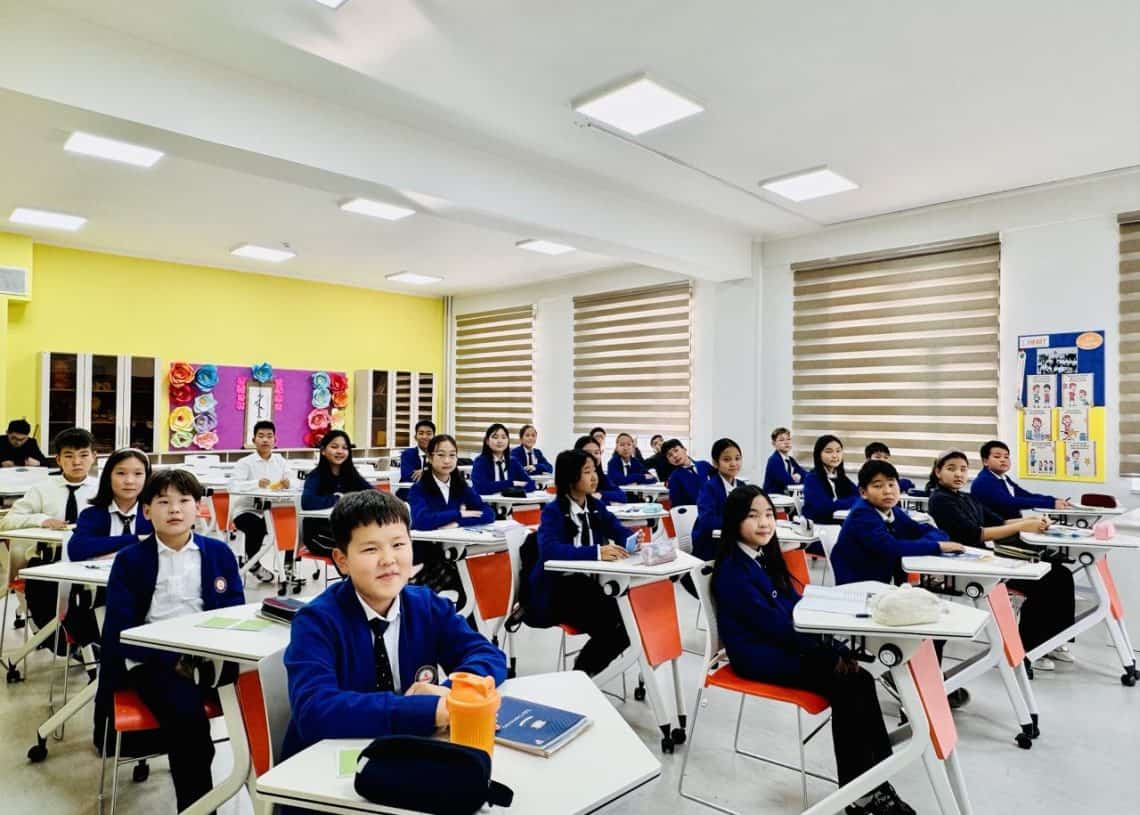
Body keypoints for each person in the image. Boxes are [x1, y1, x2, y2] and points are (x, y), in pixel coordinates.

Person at [712, 485, 917, 815]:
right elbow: (776, 627)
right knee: (847, 683)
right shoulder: (734, 571)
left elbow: (795, 606)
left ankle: (875, 779)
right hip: (757, 656)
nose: (764, 523)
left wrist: (833, 644)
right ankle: (860, 792)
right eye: (753, 516)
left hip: (782, 643)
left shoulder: (763, 558)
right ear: (735, 520)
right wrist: (829, 652)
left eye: (768, 515)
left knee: (861, 679)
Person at [282, 490, 506, 758]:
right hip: (329, 764)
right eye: (370, 549)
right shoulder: (317, 621)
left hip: (405, 756)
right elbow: (314, 711)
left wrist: (451, 696)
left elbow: (487, 655)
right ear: (342, 560)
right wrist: (426, 710)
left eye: (399, 545)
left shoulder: (427, 605)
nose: (388, 559)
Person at [98, 469, 244, 811]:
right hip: (154, 661)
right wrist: (171, 659)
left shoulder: (218, 554)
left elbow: (236, 610)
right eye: (163, 502)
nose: (174, 510)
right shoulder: (131, 560)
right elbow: (120, 631)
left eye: (184, 501)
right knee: (190, 727)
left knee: (272, 700)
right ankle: (197, 808)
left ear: (198, 508)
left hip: (211, 657)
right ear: (146, 511)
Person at [927, 450, 1076, 671]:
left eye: (963, 469)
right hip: (969, 564)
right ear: (938, 472)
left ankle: (1050, 641)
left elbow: (1000, 520)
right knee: (1047, 580)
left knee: (1060, 573)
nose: (958, 474)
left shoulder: (965, 497)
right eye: (951, 469)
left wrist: (1032, 520)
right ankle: (1029, 647)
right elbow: (975, 534)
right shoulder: (940, 500)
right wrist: (1022, 526)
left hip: (987, 559)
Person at [525, 450, 634, 676]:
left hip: (586, 586)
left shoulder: (594, 506)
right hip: (557, 590)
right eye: (587, 472)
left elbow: (618, 529)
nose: (594, 477)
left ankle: (582, 674)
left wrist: (632, 542)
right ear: (570, 477)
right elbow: (549, 551)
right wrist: (596, 552)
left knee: (630, 624)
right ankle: (582, 675)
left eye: (594, 470)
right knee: (617, 628)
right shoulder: (553, 511)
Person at [1, 428, 98, 631]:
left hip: (92, 562)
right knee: (51, 604)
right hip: (49, 561)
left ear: (94, 457)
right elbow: (7, 522)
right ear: (58, 459)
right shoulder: (42, 489)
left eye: (83, 455)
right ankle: (53, 635)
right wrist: (42, 519)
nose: (77, 462)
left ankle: (87, 640)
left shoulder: (104, 491)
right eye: (69, 456)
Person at [831, 460, 961, 586]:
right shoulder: (862, 515)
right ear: (863, 492)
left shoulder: (893, 511)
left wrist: (933, 542)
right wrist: (937, 546)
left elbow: (927, 531)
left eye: (891, 484)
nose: (887, 491)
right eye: (878, 486)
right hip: (858, 587)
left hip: (882, 582)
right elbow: (892, 547)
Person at [408, 434, 492, 605]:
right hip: (426, 559)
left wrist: (459, 522)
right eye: (441, 455)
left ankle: (463, 627)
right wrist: (458, 513)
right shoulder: (419, 488)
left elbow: (488, 512)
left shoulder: (460, 486)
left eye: (452, 455)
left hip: (453, 554)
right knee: (468, 586)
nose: (447, 460)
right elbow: (422, 520)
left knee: (480, 580)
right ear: (430, 458)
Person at [229, 421, 292, 583]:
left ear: (275, 440)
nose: (265, 440)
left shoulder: (281, 462)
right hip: (246, 509)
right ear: (254, 440)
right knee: (256, 526)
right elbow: (234, 486)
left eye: (269, 436)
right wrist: (255, 483)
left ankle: (289, 567)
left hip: (273, 509)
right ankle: (253, 563)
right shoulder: (245, 463)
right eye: (261, 436)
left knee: (293, 523)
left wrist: (288, 483)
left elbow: (293, 481)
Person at [69, 447, 153, 561]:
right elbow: (77, 549)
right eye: (121, 473)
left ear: (147, 478)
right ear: (109, 477)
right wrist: (138, 538)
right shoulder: (92, 514)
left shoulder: (154, 514)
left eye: (138, 473)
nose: (129, 481)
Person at [301, 430, 373, 557]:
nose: (340, 451)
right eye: (334, 447)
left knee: (371, 546)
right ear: (323, 450)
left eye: (345, 448)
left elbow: (372, 492)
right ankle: (355, 577)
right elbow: (307, 502)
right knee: (353, 552)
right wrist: (338, 499)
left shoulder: (351, 475)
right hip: (318, 535)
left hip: (345, 531)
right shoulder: (315, 476)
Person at [970, 440, 1071, 517]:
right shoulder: (984, 481)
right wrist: (1050, 504)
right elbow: (1009, 502)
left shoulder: (1003, 478)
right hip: (1000, 531)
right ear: (985, 461)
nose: (1003, 460)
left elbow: (1026, 495)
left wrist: (1053, 499)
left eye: (1006, 457)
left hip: (1013, 525)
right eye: (997, 457)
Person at [691, 438, 744, 561]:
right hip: (710, 543)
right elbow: (707, 520)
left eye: (737, 458)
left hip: (734, 539)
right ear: (715, 463)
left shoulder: (742, 486)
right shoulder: (709, 488)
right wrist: (736, 524)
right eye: (727, 459)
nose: (733, 463)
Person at [802, 434, 857, 524]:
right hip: (820, 525)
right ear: (818, 454)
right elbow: (825, 508)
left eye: (838, 451)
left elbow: (859, 495)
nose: (835, 456)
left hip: (839, 522)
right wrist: (853, 500)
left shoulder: (840, 476)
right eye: (829, 451)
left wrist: (840, 503)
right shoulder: (812, 479)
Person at [470, 423, 534, 495]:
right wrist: (512, 483)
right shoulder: (480, 462)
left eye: (504, 437)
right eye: (495, 437)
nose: (500, 441)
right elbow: (481, 488)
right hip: (487, 503)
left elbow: (531, 484)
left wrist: (512, 490)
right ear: (487, 441)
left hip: (510, 504)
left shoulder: (513, 462)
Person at [573, 435, 626, 504]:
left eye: (596, 453)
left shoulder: (601, 476)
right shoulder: (573, 479)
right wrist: (608, 501)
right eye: (588, 452)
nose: (593, 456)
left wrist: (601, 494)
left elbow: (622, 496)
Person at [662, 439, 712, 507]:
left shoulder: (704, 465)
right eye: (670, 455)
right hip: (693, 514)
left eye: (676, 450)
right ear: (669, 461)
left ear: (684, 449)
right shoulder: (674, 478)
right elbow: (676, 507)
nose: (675, 456)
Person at [762, 426, 806, 494]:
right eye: (782, 440)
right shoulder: (774, 460)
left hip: (786, 498)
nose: (786, 442)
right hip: (774, 498)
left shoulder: (790, 460)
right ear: (774, 444)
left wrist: (799, 476)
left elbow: (805, 474)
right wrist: (795, 478)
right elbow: (787, 481)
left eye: (788, 439)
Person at [398, 420, 435, 499]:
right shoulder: (408, 454)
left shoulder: (439, 454)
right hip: (410, 494)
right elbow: (408, 477)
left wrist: (426, 472)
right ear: (415, 437)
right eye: (421, 433)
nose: (425, 437)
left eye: (429, 434)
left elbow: (447, 472)